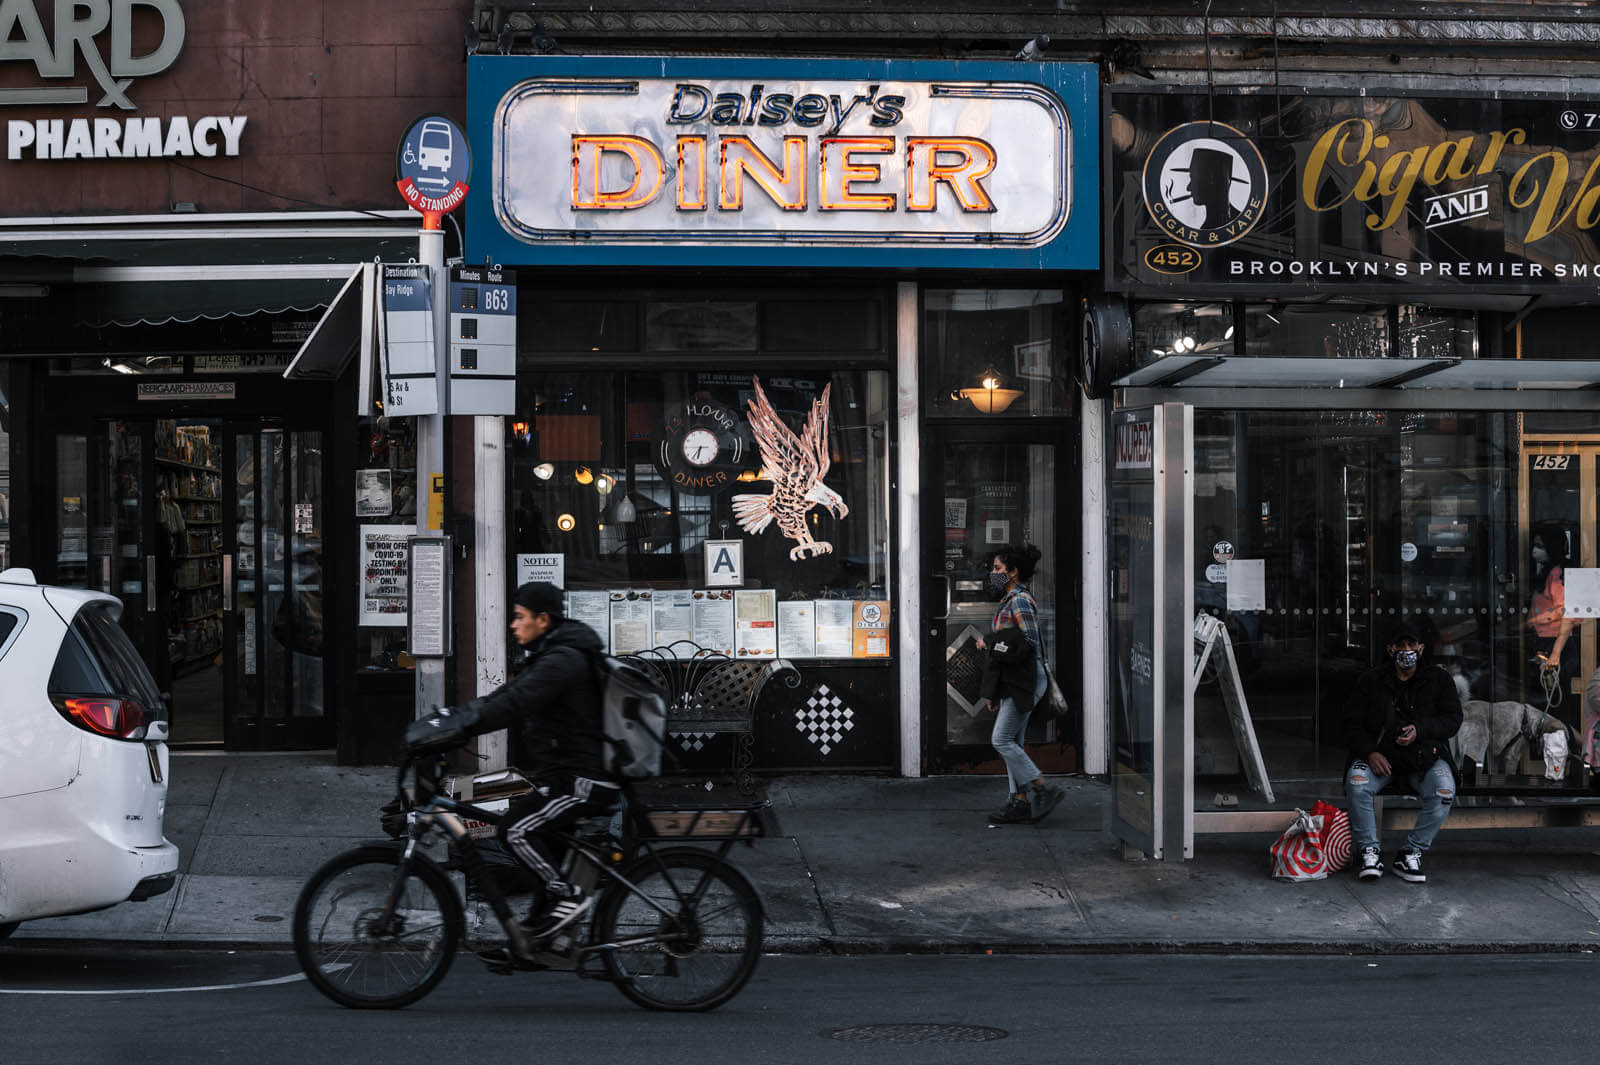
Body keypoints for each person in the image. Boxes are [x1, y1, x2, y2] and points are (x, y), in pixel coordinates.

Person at [403, 581, 616, 961]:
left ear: (543, 619)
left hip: (582, 779)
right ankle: (537, 942)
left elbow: (514, 704)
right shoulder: (553, 655)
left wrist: (461, 727)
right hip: (565, 774)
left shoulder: (562, 660)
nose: (513, 626)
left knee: (515, 829)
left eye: (519, 617)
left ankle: (567, 901)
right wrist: (452, 720)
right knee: (539, 846)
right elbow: (502, 697)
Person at [1342, 617, 1463, 883]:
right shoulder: (1370, 681)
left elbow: (1452, 719)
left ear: (1421, 648)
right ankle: (1368, 852)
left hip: (1425, 758)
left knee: (1444, 791)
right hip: (1380, 758)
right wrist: (1370, 752)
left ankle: (1411, 852)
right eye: (1400, 644)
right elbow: (1350, 724)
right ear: (1390, 649)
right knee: (1357, 783)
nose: (1406, 649)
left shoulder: (1439, 679)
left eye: (1411, 644)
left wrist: (1421, 730)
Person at [976, 544, 1064, 825]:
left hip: (1024, 679)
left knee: (1001, 739)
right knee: (1013, 741)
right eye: (994, 569)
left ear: (1013, 572)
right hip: (1014, 679)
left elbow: (1028, 643)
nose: (994, 574)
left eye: (999, 569)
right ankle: (1020, 801)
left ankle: (1041, 787)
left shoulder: (1020, 601)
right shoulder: (1009, 600)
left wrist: (989, 642)